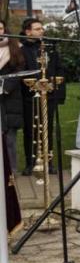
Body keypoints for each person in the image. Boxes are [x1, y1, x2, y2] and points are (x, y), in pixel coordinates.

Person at [20, 18, 67, 175]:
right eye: (37, 29)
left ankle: (48, 162)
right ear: (28, 32)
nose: (42, 31)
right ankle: (31, 162)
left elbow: (59, 69)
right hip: (29, 96)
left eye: (42, 28)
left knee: (47, 128)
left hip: (49, 95)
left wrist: (56, 89)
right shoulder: (22, 50)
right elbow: (21, 72)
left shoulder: (49, 49)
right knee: (31, 129)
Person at [0, 20, 25, 171]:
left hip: (9, 99)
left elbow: (19, 71)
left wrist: (4, 88)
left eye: (0, 28)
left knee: (9, 140)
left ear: (5, 30)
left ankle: (11, 175)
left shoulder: (15, 48)